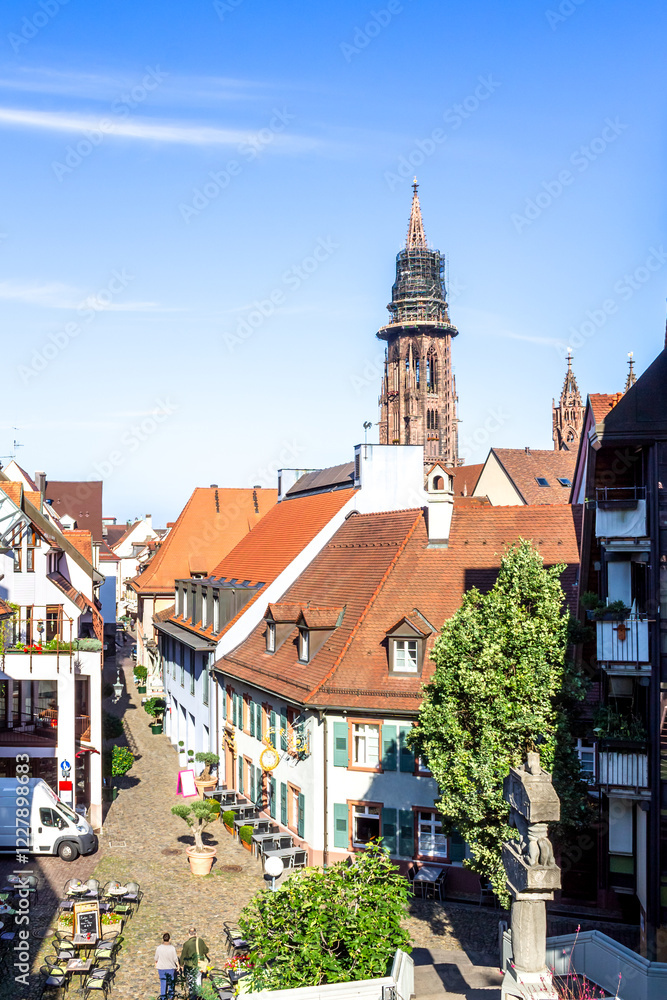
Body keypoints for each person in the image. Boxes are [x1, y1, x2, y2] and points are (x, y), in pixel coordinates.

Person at [180, 926, 209, 996]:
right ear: (196, 934)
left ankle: (192, 996)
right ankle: (198, 996)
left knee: (191, 983)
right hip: (199, 964)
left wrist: (181, 965)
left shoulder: (186, 944)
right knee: (198, 980)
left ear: (189, 934)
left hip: (190, 965)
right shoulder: (200, 941)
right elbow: (206, 950)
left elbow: (183, 956)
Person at [155, 932, 180, 999]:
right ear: (170, 939)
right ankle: (171, 996)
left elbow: (156, 958)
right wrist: (178, 965)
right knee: (171, 982)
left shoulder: (159, 948)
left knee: (163, 982)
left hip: (161, 968)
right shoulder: (172, 948)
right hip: (170, 968)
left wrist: (156, 964)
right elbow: (175, 958)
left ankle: (163, 997)